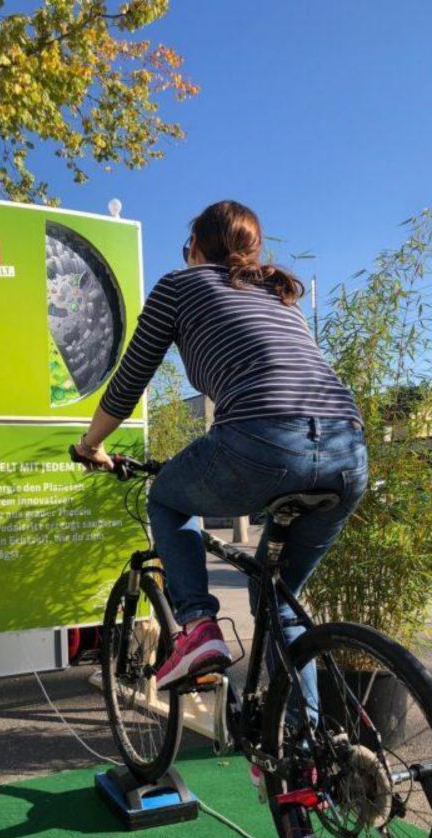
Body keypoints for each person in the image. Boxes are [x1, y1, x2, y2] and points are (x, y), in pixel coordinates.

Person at [76, 200, 367, 712]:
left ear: (194, 248)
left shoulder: (180, 285)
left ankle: (197, 626)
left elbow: (128, 384)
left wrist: (90, 445)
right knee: (278, 599)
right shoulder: (280, 297)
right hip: (348, 451)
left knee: (167, 500)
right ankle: (307, 754)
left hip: (263, 440)